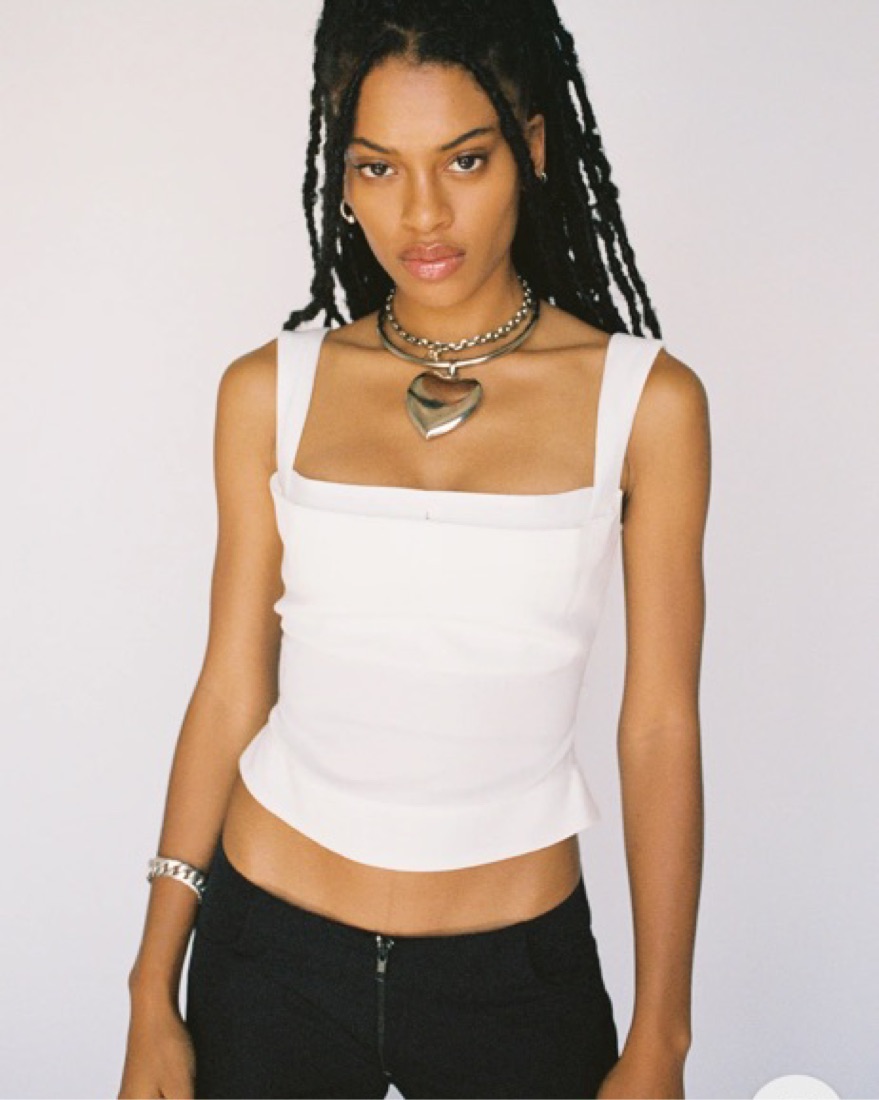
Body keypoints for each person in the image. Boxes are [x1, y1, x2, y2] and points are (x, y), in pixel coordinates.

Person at [118, 1, 710, 1097]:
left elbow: (660, 722)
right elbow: (231, 685)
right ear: (342, 177)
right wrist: (152, 982)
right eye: (378, 167)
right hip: (266, 954)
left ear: (533, 149)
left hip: (515, 977)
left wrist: (661, 1038)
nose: (423, 213)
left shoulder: (646, 404)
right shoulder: (269, 390)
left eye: (465, 160)